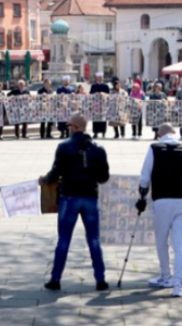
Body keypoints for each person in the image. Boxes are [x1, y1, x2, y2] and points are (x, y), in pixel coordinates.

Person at [39, 113, 110, 291]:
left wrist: (45, 180)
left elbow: (56, 171)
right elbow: (104, 177)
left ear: (75, 127)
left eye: (69, 125)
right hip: (90, 196)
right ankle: (100, 279)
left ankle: (55, 279)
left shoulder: (64, 147)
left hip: (69, 197)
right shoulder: (98, 149)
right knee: (93, 239)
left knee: (63, 239)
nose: (67, 128)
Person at [138, 123, 182, 298]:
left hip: (162, 199)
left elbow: (145, 175)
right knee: (180, 244)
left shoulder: (154, 148)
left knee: (162, 241)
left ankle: (165, 276)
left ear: (159, 134)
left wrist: (142, 195)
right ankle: (178, 284)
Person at [89, 73, 109, 139]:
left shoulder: (105, 86)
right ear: (97, 78)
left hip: (103, 106)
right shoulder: (93, 86)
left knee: (103, 120)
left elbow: (108, 95)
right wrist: (95, 93)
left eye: (101, 77)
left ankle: (103, 132)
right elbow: (90, 94)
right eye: (99, 77)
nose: (100, 78)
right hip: (96, 106)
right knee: (95, 120)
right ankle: (95, 132)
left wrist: (103, 94)